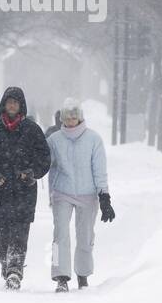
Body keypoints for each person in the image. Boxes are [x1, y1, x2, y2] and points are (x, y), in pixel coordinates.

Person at [0, 86, 51, 290]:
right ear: (3, 104)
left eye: (16, 102)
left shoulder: (32, 130)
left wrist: (32, 172)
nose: (12, 105)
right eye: (9, 102)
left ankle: (15, 270)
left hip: (24, 192)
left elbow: (44, 158)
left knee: (19, 232)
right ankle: (6, 265)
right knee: (3, 236)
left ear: (21, 106)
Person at [45, 99, 114, 292]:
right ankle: (61, 277)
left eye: (75, 116)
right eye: (67, 116)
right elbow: (46, 167)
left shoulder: (94, 139)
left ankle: (82, 275)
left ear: (81, 117)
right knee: (60, 235)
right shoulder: (54, 140)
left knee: (85, 236)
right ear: (62, 118)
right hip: (62, 193)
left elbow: (100, 171)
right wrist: (49, 193)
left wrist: (104, 196)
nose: (71, 119)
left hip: (88, 194)